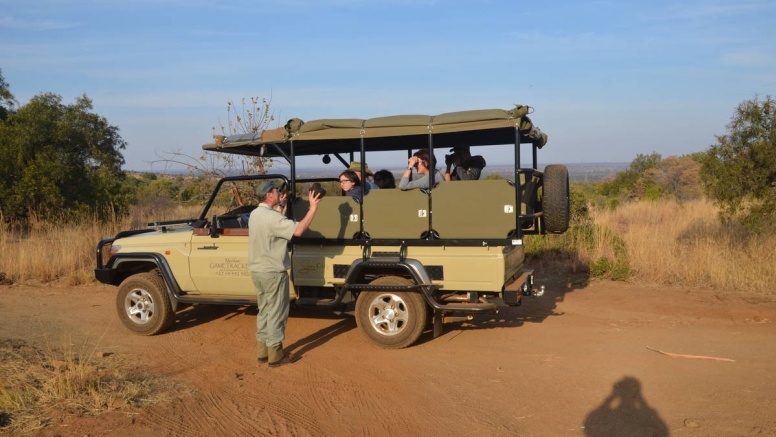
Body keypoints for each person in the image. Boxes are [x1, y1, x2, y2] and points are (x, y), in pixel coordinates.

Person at [248, 180, 322, 368]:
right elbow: (297, 230)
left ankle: (262, 352)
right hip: (273, 272)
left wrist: (282, 205)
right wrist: (313, 208)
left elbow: (275, 223)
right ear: (269, 195)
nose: (279, 193)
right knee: (276, 314)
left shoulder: (256, 214)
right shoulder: (272, 217)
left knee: (264, 311)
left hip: (258, 271)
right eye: (276, 191)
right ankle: (276, 355)